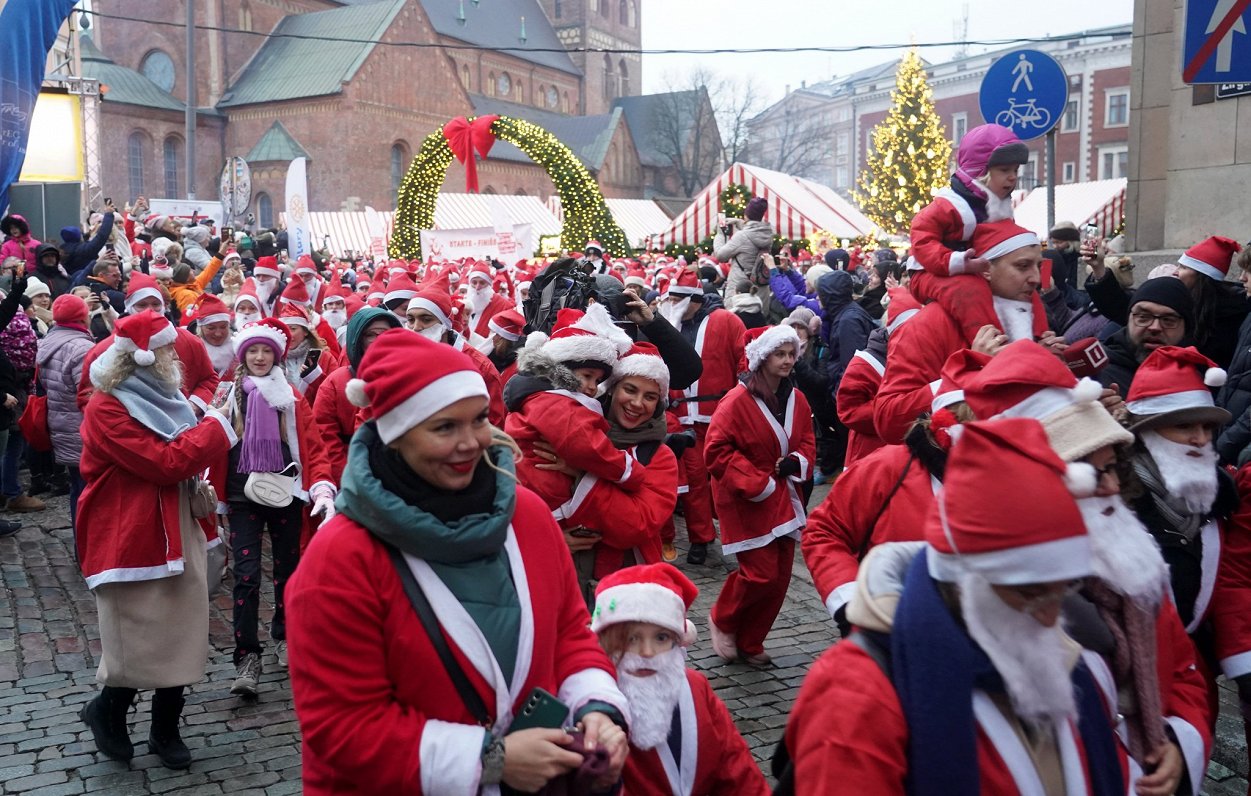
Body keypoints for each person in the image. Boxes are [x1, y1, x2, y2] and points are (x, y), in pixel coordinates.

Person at [285, 329, 630, 794]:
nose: (472, 442)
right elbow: (342, 726)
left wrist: (596, 706)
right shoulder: (340, 558)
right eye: (445, 427)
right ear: (396, 436)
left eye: (479, 419)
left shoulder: (526, 516)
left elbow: (568, 631)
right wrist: (490, 760)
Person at [785, 418, 1125, 794]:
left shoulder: (1070, 660)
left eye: (1064, 590)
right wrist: (848, 602)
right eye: (1029, 593)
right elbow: (825, 530)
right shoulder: (857, 691)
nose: (1051, 619)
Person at [76, 311, 236, 770]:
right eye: (167, 350)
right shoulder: (107, 407)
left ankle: (165, 728)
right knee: (134, 629)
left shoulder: (165, 396)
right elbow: (165, 463)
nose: (174, 357)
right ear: (143, 358)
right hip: (127, 530)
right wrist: (217, 426)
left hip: (175, 521)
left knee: (181, 627)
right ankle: (109, 710)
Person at [804, 351, 983, 629]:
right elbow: (824, 531)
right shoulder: (888, 467)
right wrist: (850, 602)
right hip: (888, 631)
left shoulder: (1014, 480)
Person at [208, 317, 334, 697]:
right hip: (242, 495)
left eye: (267, 351)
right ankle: (247, 656)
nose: (260, 357)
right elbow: (208, 438)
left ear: (276, 356)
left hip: (286, 494)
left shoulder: (291, 397)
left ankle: (285, 635)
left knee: (288, 572)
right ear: (243, 355)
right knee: (246, 576)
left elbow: (312, 446)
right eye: (254, 351)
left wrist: (321, 487)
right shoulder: (229, 394)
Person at [1123, 347, 1251, 716]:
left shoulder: (1219, 499)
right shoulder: (1115, 502)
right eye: (1183, 426)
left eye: (1207, 428)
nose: (1199, 439)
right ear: (1145, 432)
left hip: (1191, 676)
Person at [873, 220, 1064, 445]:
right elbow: (888, 419)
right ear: (986, 269)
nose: (1036, 279)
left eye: (1038, 266)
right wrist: (970, 373)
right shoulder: (929, 323)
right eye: (1023, 266)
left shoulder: (1032, 316)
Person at [590, 564, 769, 796]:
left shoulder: (695, 687)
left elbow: (734, 763)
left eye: (661, 637)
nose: (647, 652)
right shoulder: (591, 703)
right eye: (631, 639)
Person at [532, 342, 680, 601]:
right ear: (612, 389)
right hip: (557, 575)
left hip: (624, 584)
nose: (637, 403)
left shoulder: (660, 457)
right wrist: (550, 541)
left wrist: (582, 473)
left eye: (650, 397)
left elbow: (636, 525)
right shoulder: (564, 434)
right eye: (630, 390)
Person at [706, 325, 815, 665]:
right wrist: (757, 481)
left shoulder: (797, 399)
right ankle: (723, 618)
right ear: (763, 357)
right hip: (747, 497)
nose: (787, 360)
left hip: (785, 494)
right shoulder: (735, 401)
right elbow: (716, 451)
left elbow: (807, 439)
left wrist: (796, 462)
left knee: (779, 577)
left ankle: (751, 640)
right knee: (759, 573)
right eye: (780, 354)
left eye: (791, 354)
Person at [908, 124, 1047, 344]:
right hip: (929, 272)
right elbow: (921, 236)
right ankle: (991, 344)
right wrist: (953, 261)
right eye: (1004, 170)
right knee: (968, 290)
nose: (1013, 177)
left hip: (973, 268)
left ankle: (1039, 339)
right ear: (980, 171)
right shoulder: (951, 204)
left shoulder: (998, 204)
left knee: (1025, 289)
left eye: (1015, 170)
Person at [662, 268, 747, 565]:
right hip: (682, 417)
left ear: (693, 300)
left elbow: (744, 362)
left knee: (728, 478)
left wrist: (742, 404)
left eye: (677, 299)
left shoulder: (726, 321)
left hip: (721, 415)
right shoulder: (668, 326)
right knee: (695, 480)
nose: (671, 304)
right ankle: (701, 537)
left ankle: (742, 533)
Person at [77, 273, 220, 412]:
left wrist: (194, 405)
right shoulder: (106, 348)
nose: (149, 310)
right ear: (129, 307)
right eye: (142, 305)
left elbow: (209, 379)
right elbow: (87, 396)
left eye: (156, 304)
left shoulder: (188, 340)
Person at [312, 307, 401, 484]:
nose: (378, 340)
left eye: (384, 333)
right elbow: (325, 437)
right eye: (370, 335)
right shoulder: (335, 383)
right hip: (350, 472)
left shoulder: (408, 376)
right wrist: (350, 477)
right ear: (358, 340)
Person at [836, 288, 921, 468]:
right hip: (871, 455)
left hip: (906, 453)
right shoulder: (864, 364)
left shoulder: (919, 358)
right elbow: (848, 411)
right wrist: (895, 408)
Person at [36, 295, 96, 531]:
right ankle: (88, 548)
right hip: (81, 428)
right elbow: (90, 394)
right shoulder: (81, 348)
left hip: (61, 424)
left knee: (77, 488)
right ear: (82, 317)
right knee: (88, 492)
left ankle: (80, 546)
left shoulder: (50, 341)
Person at [816, 269, 875, 476]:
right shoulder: (845, 314)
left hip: (849, 400)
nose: (817, 298)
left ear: (830, 296)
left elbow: (851, 365)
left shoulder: (848, 320)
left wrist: (839, 397)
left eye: (821, 294)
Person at [1099, 276, 1194, 396]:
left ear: (1186, 328)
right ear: (1129, 319)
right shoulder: (1097, 377)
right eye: (1143, 317)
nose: (1155, 327)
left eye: (1168, 320)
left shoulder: (1199, 376)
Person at [713, 197, 775, 316]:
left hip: (740, 291)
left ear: (746, 214)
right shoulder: (767, 234)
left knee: (737, 324)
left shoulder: (741, 236)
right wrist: (740, 223)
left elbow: (721, 256)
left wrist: (719, 235)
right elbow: (754, 234)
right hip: (760, 291)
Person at [464, 262, 516, 342]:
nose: (477, 287)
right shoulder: (464, 301)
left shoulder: (503, 304)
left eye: (482, 283)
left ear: (489, 284)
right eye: (474, 282)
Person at [191, 294, 237, 378]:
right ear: (201, 329)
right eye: (211, 328)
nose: (218, 334)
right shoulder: (193, 352)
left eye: (223, 327)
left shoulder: (238, 350)